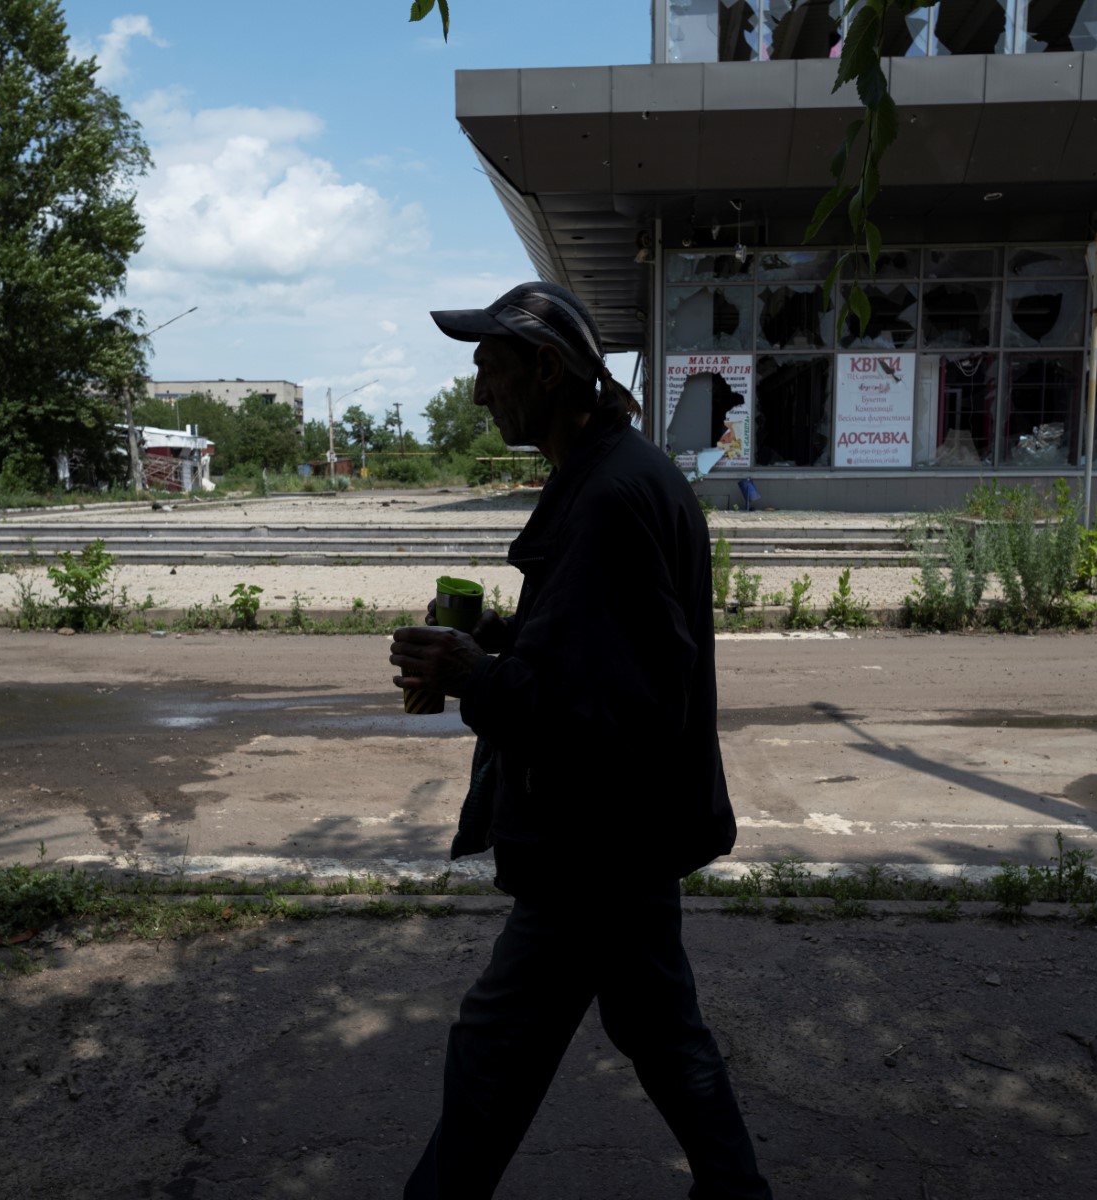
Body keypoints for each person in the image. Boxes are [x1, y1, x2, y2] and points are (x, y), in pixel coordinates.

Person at [388, 282, 773, 1200]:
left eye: (491, 367)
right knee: (663, 1034)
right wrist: (503, 644)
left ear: (550, 371)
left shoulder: (607, 497)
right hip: (625, 838)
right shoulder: (617, 473)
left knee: (494, 1053)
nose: (480, 392)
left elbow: (606, 714)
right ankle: (738, 1193)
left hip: (592, 844)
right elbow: (604, 654)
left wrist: (470, 676)